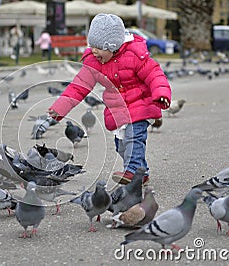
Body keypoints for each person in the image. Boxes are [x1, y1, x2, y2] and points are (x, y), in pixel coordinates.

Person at [47, 14, 171, 185]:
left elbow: (155, 75)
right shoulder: (94, 61)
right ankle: (142, 172)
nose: (94, 51)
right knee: (121, 146)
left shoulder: (135, 55)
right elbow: (79, 85)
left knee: (133, 139)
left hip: (140, 104)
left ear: (113, 46)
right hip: (118, 110)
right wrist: (60, 107)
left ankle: (133, 172)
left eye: (99, 47)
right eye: (92, 46)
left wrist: (161, 93)